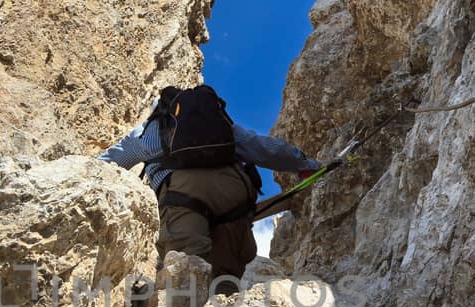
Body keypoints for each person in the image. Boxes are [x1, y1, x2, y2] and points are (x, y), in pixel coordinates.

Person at [100, 84, 321, 281]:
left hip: (183, 195)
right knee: (226, 276)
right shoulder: (220, 126)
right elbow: (262, 148)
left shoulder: (153, 130)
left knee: (186, 267)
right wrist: (304, 164)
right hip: (233, 191)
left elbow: (114, 160)